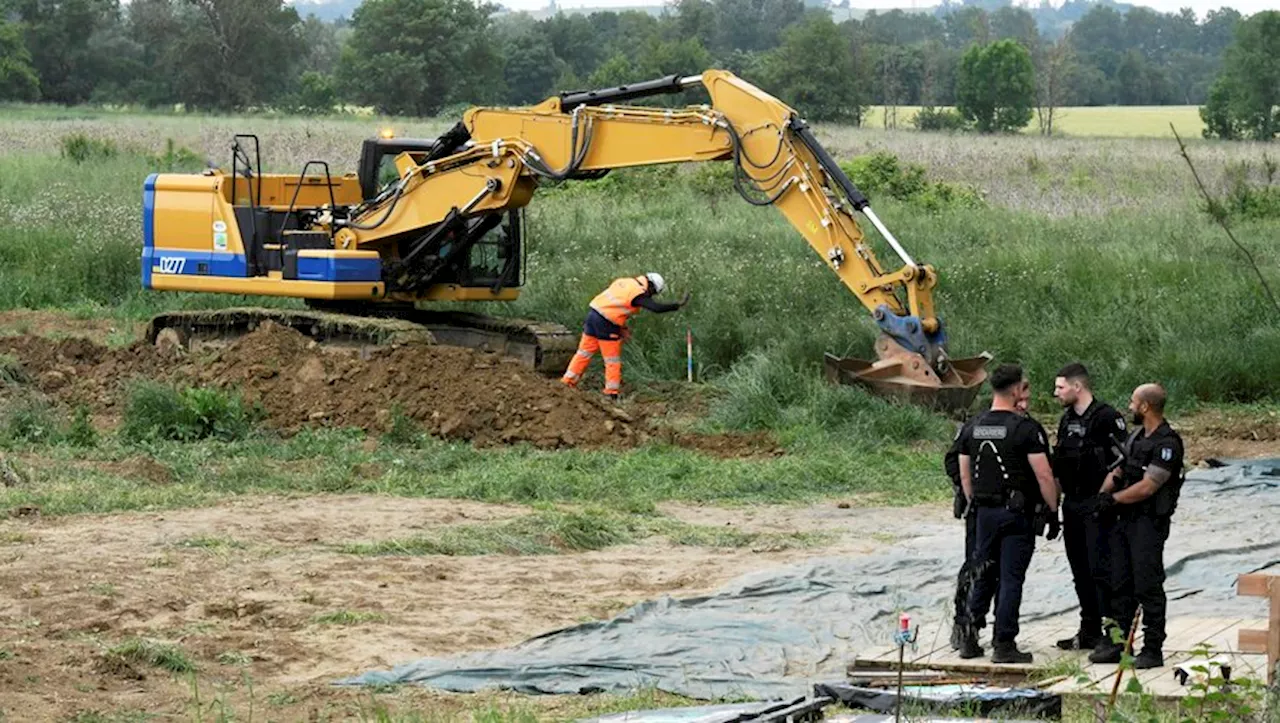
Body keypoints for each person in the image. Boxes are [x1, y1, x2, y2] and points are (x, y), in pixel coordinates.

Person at [956, 363, 1060, 664]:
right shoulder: (1024, 429)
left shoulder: (972, 426)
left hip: (984, 513)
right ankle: (1004, 643)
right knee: (1011, 578)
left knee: (983, 574)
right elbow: (1043, 475)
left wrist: (978, 503)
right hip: (1016, 514)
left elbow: (965, 477)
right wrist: (1053, 510)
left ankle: (969, 639)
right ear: (1016, 390)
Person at [1085, 383, 1184, 669]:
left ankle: (1152, 648)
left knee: (1147, 585)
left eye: (1133, 402)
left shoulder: (1167, 443)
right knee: (1120, 583)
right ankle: (1118, 642)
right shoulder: (1137, 437)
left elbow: (1148, 486)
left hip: (1148, 523)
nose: (1129, 407)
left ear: (1145, 407)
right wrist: (1101, 499)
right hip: (1125, 521)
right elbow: (1119, 470)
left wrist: (1113, 500)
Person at [1050, 363, 1128, 652]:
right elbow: (1059, 464)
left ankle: (1112, 632)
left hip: (1098, 504)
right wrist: (1053, 505)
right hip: (1072, 504)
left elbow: (1122, 462)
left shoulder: (1107, 417)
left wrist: (1103, 495)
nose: (1055, 393)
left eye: (1060, 387)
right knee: (1079, 569)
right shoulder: (1066, 420)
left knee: (1101, 569)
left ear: (1077, 387)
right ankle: (1089, 629)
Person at [945, 388, 1030, 651]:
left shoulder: (1019, 429)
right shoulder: (976, 427)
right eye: (1021, 399)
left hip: (998, 510)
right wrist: (972, 492)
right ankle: (965, 628)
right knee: (978, 570)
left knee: (996, 573)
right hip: (981, 510)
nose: (1024, 405)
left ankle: (982, 631)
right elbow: (953, 461)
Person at [560, 273, 689, 399]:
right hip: (606, 324)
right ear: (651, 287)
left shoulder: (625, 282)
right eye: (653, 293)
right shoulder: (637, 294)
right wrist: (677, 305)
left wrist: (621, 328)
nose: (650, 296)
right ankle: (611, 393)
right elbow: (656, 308)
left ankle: (567, 383)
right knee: (612, 360)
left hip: (593, 316)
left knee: (583, 353)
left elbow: (613, 307)